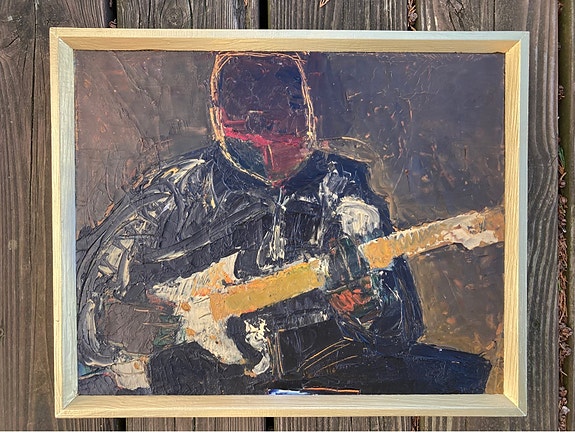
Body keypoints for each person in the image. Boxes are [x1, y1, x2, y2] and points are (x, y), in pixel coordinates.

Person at [76, 52, 491, 395]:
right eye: (261, 117)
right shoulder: (175, 194)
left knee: (461, 378)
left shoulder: (342, 188)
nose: (288, 128)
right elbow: (89, 310)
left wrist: (366, 306)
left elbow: (400, 330)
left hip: (327, 372)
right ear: (224, 118)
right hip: (204, 382)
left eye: (296, 106)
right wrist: (162, 322)